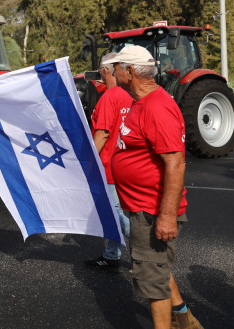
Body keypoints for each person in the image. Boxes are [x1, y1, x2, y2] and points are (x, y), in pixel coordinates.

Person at [110, 46, 202, 329]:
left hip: (152, 211)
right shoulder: (141, 101)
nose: (111, 72)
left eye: (116, 67)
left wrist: (166, 216)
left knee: (152, 282)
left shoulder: (155, 106)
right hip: (143, 207)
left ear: (129, 72)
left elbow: (176, 164)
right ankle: (186, 321)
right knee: (157, 268)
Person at [84, 52, 133, 271]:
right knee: (119, 212)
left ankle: (147, 249)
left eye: (100, 71)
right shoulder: (132, 96)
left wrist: (89, 162)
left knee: (116, 214)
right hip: (127, 164)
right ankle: (112, 255)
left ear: (106, 71)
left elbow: (102, 134)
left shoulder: (109, 97)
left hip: (109, 166)